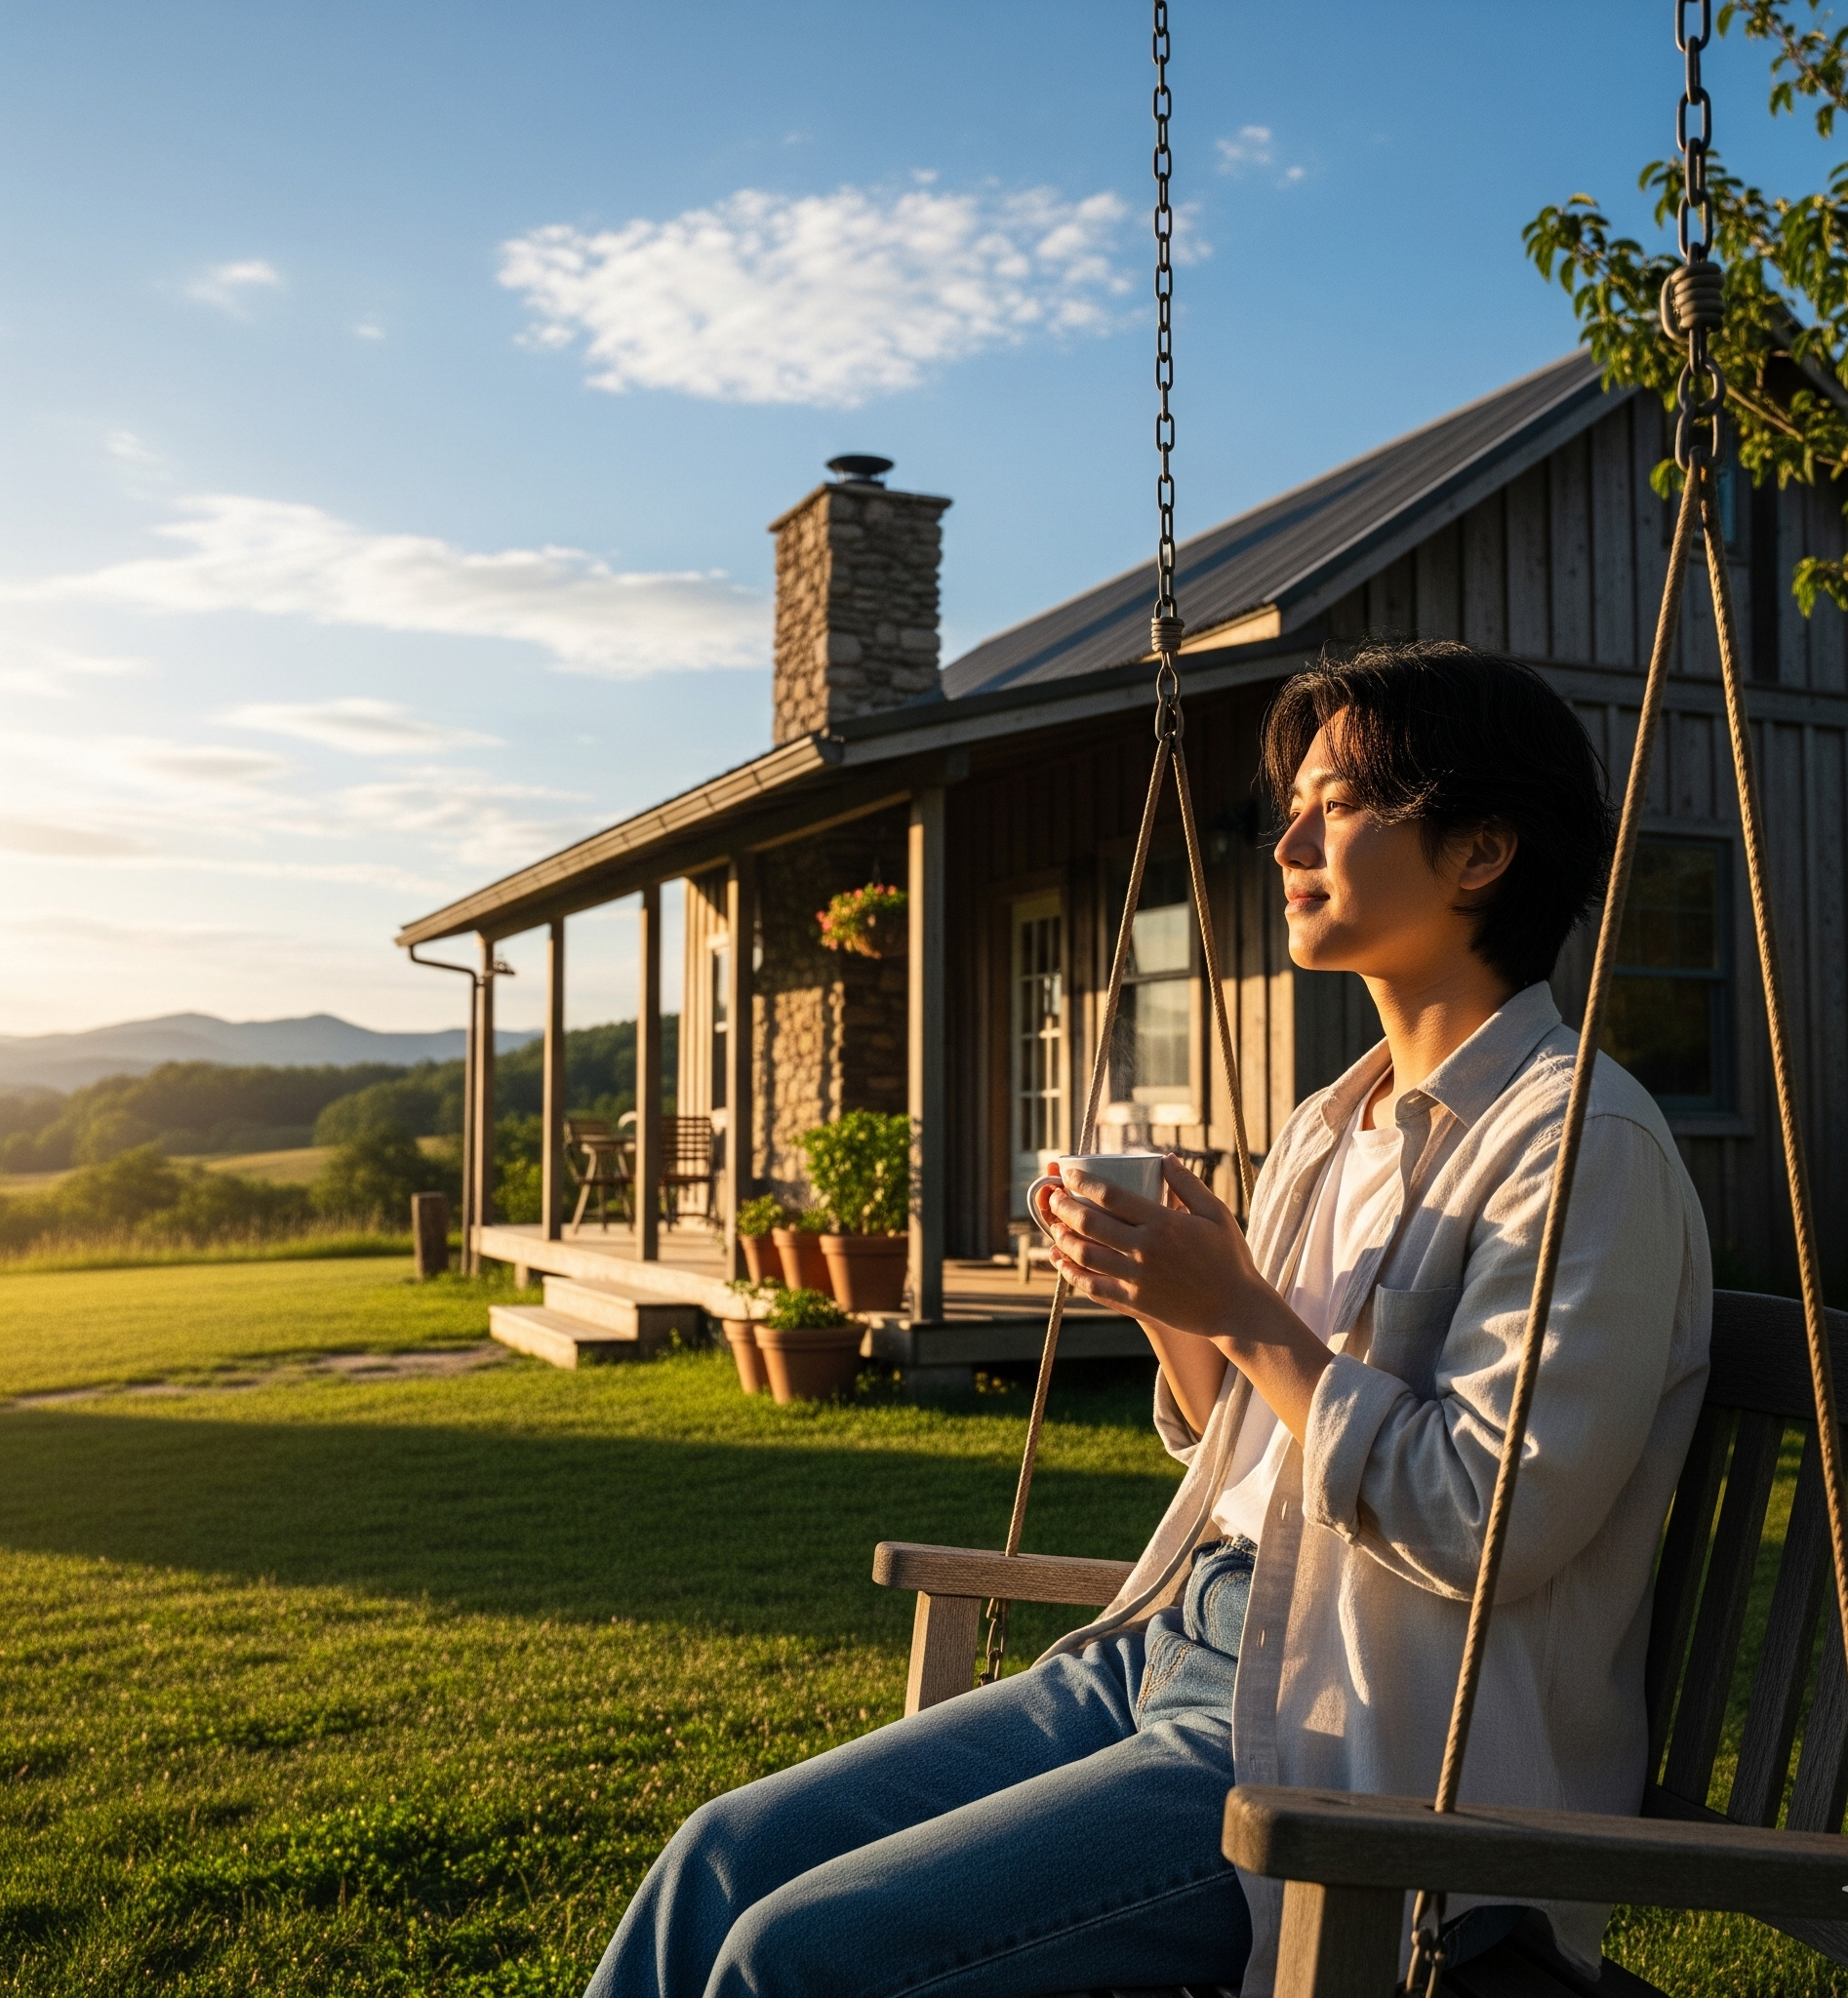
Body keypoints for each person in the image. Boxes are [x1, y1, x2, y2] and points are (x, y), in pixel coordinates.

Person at [584, 640, 1713, 1998]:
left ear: (1481, 850)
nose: (1285, 834)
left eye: (1341, 802)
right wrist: (1167, 1296)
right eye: (1290, 802)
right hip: (1173, 1647)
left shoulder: (1579, 1145)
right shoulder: (1330, 1124)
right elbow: (1240, 1442)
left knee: (803, 1957)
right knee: (715, 1859)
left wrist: (1237, 1307)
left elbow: (1486, 1523)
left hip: (1354, 1748)